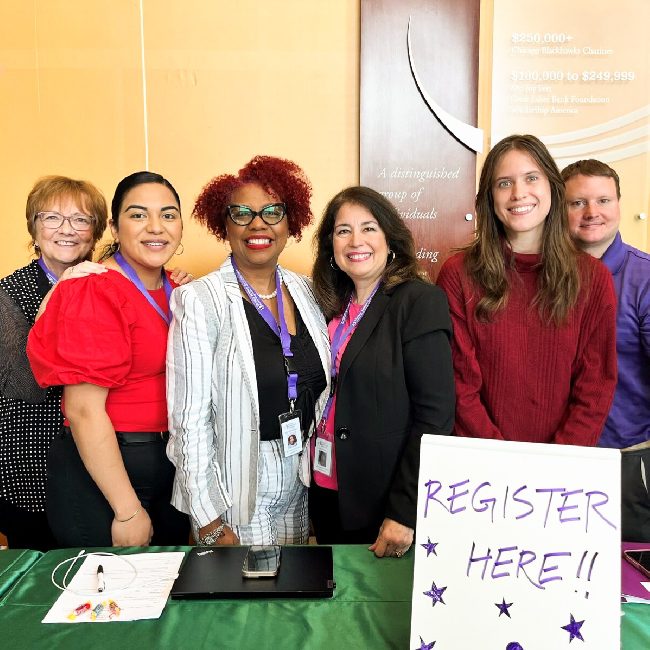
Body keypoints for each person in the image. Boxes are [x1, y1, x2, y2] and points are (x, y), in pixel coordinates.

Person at [166, 155, 329, 547]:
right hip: (233, 483)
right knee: (243, 603)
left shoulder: (309, 292)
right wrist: (208, 520)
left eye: (273, 211)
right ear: (224, 225)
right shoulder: (199, 301)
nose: (258, 223)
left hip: (301, 476)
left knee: (290, 599)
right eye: (242, 213)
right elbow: (189, 422)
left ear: (292, 222)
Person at [27, 171, 190, 547]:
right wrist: (127, 509)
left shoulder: (181, 290)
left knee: (171, 595)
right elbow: (83, 409)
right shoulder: (93, 288)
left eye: (168, 215)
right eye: (138, 215)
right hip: (106, 475)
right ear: (115, 228)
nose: (155, 227)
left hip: (172, 465)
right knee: (112, 601)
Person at [437, 134, 618, 447]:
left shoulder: (593, 279)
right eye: (504, 183)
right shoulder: (458, 275)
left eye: (531, 178)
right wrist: (504, 461)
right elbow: (459, 385)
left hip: (561, 471)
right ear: (489, 198)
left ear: (551, 188)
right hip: (481, 466)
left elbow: (595, 387)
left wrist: (553, 462)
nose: (519, 193)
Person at [311, 186, 455, 558]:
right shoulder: (327, 306)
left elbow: (435, 417)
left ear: (390, 239)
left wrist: (404, 510)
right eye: (343, 231)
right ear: (331, 246)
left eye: (369, 228)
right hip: (326, 488)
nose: (356, 240)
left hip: (382, 501)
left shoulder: (418, 302)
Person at [0, 175, 108, 550]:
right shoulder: (10, 294)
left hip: (99, 460)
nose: (67, 230)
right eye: (52, 218)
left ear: (95, 232)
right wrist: (60, 293)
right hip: (32, 468)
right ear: (34, 227)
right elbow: (29, 384)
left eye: (81, 219)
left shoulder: (107, 284)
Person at [562, 159, 650, 541]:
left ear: (618, 204)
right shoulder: (541, 276)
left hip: (626, 462)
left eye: (603, 200)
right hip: (551, 457)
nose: (592, 213)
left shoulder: (643, 278)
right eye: (577, 203)